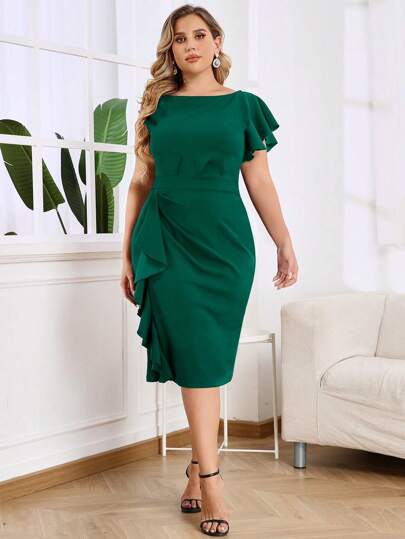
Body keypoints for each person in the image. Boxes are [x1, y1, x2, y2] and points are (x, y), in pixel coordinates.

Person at [121, 4, 298, 536]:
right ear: (170, 50)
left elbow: (259, 182)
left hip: (226, 247)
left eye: (200, 36)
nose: (191, 46)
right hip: (167, 243)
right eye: (180, 39)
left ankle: (196, 470)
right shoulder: (157, 107)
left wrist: (284, 241)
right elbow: (140, 182)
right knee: (196, 359)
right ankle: (213, 481)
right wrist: (126, 253)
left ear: (217, 43)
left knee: (211, 360)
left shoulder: (245, 107)